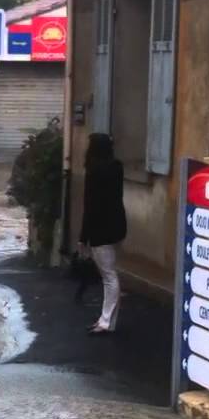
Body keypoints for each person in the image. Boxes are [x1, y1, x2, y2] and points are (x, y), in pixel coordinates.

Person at [79, 133, 128, 335]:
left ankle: (106, 321)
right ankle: (109, 320)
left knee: (108, 275)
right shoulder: (117, 167)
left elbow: (90, 206)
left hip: (100, 228)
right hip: (117, 225)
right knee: (110, 272)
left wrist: (83, 237)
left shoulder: (94, 171)